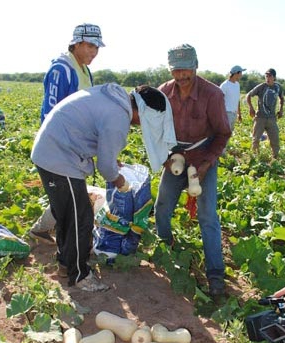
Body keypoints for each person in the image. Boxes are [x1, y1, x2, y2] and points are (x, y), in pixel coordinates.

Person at [31, 83, 175, 292]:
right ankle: (79, 275)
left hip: (54, 150)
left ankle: (65, 263)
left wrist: (112, 164)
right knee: (80, 219)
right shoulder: (118, 117)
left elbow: (93, 134)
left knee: (67, 214)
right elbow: (106, 167)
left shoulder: (115, 100)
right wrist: (121, 182)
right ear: (143, 111)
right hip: (59, 158)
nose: (141, 125)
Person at [154, 44, 231, 299]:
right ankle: (167, 250)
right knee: (162, 208)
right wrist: (166, 157)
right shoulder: (164, 92)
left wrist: (207, 163)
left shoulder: (213, 95)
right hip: (176, 157)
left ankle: (216, 275)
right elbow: (155, 130)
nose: (181, 76)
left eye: (186, 70)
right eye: (176, 70)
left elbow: (222, 134)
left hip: (203, 157)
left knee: (208, 216)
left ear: (195, 66)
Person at [29, 23, 105, 245]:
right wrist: (61, 148)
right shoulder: (61, 69)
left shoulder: (84, 70)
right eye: (90, 46)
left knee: (70, 194)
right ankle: (69, 255)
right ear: (77, 43)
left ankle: (40, 230)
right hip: (61, 147)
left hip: (76, 145)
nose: (94, 52)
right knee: (72, 196)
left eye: (97, 48)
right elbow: (49, 112)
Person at [246, 68, 284, 159]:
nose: (267, 78)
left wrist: (281, 109)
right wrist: (251, 108)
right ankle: (255, 158)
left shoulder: (278, 87)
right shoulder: (261, 86)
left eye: (269, 76)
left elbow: (282, 98)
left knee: (275, 139)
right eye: (266, 76)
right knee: (256, 139)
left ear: (274, 77)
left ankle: (275, 158)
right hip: (260, 118)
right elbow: (248, 95)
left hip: (272, 118)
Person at [220, 65, 246, 131]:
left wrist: (239, 114)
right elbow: (219, 100)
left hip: (234, 114)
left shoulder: (237, 85)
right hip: (226, 113)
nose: (241, 75)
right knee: (224, 134)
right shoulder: (225, 85)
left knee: (229, 134)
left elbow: (237, 100)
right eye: (241, 73)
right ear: (236, 73)